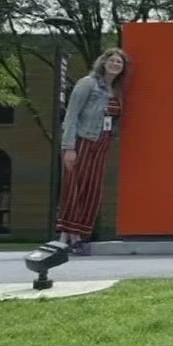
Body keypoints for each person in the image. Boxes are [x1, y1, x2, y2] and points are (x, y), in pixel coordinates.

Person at [56, 48, 131, 254]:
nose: (116, 64)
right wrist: (69, 147)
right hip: (82, 141)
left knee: (90, 192)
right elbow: (71, 116)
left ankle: (71, 236)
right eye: (113, 60)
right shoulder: (87, 83)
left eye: (120, 63)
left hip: (101, 145)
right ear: (103, 62)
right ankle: (72, 238)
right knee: (73, 190)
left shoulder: (115, 91)